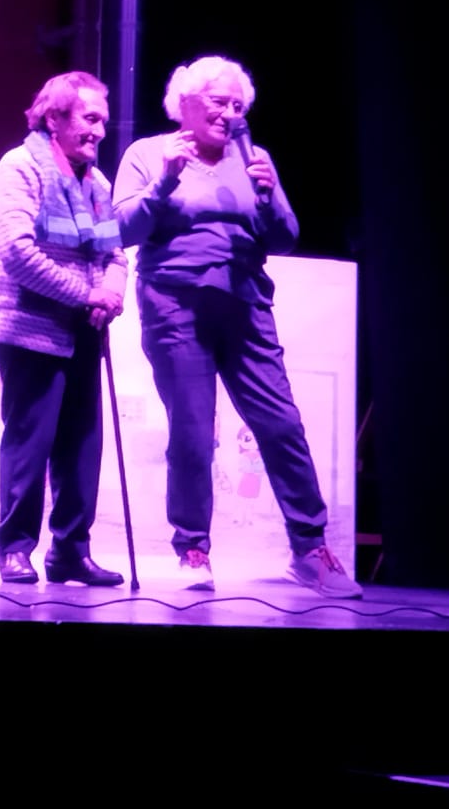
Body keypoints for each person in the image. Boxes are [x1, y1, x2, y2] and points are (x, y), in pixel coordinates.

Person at [114, 56, 361, 597]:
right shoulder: (149, 153)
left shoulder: (254, 158)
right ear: (185, 103)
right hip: (175, 305)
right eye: (218, 102)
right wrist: (164, 183)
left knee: (281, 424)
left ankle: (310, 549)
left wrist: (269, 197)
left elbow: (285, 237)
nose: (230, 113)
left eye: (238, 105)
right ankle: (192, 547)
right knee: (193, 431)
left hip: (246, 305)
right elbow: (122, 228)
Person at [0, 71, 129, 586]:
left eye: (103, 122)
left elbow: (115, 255)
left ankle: (70, 551)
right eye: (90, 119)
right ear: (54, 118)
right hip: (29, 330)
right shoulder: (19, 168)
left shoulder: (98, 184)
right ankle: (15, 548)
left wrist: (112, 295)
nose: (100, 131)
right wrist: (86, 294)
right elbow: (16, 251)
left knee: (83, 446)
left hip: (85, 331)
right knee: (31, 442)